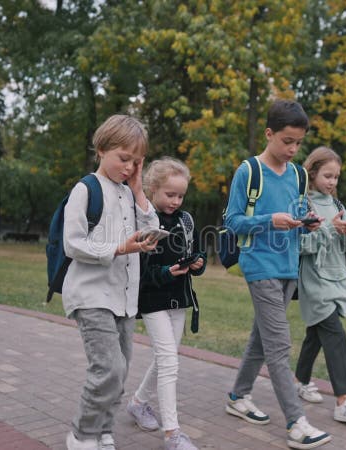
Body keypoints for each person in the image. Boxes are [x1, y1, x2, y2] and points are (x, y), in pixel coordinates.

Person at [223, 99, 332, 449]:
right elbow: (232, 221)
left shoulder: (299, 174)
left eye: (298, 143)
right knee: (279, 346)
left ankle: (238, 395)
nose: (293, 149)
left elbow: (298, 215)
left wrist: (307, 224)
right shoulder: (249, 172)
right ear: (269, 134)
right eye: (287, 141)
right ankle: (297, 422)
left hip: (289, 267)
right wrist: (268, 220)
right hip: (259, 266)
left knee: (262, 337)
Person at [63, 114, 161, 450]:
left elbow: (151, 224)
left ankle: (104, 431)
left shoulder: (128, 191)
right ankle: (81, 434)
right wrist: (118, 248)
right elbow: (72, 242)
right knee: (108, 369)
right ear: (102, 149)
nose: (129, 167)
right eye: (123, 159)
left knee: (119, 374)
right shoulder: (85, 189)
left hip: (125, 298)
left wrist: (138, 189)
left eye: (135, 162)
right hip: (91, 296)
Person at [126, 157, 206, 450]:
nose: (175, 201)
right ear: (152, 189)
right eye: (169, 194)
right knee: (170, 362)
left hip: (179, 299)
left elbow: (199, 251)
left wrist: (198, 263)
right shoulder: (145, 218)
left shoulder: (186, 220)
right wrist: (164, 272)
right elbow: (139, 268)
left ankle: (137, 403)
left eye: (180, 195)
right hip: (152, 299)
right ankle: (173, 434)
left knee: (166, 357)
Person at [293, 146, 346, 424]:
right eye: (328, 175)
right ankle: (344, 400)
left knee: (316, 332)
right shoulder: (303, 206)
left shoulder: (338, 206)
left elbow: (344, 246)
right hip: (314, 280)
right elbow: (299, 245)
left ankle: (299, 380)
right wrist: (329, 229)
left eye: (337, 177)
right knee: (334, 333)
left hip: (337, 278)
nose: (332, 182)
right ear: (313, 173)